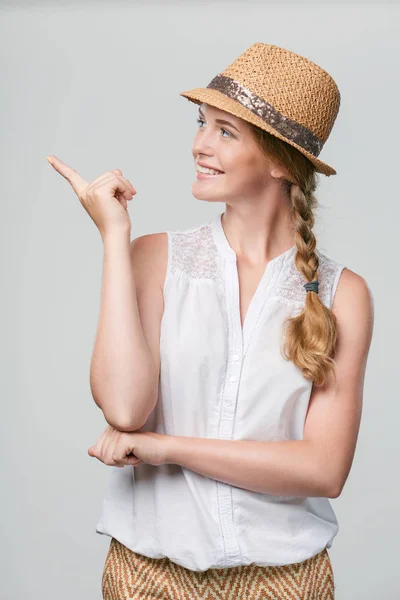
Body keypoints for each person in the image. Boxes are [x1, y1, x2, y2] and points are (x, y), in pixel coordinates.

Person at [47, 43, 374, 599]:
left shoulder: (344, 294)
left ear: (279, 161)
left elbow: (323, 470)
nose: (199, 144)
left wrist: (165, 448)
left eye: (226, 132)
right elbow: (125, 409)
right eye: (202, 124)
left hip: (287, 583)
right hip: (145, 577)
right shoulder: (154, 257)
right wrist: (113, 236)